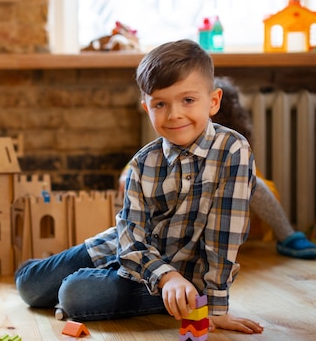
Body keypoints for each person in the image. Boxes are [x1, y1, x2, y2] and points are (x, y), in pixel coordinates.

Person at [16, 39, 264, 335]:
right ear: (146, 107)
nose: (174, 114)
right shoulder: (142, 164)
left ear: (213, 101)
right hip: (129, 252)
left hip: (185, 276)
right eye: (161, 104)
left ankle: (163, 294)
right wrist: (164, 276)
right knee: (28, 286)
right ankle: (61, 269)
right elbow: (130, 239)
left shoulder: (233, 151)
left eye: (188, 100)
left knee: (75, 294)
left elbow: (224, 235)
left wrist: (215, 305)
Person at [118, 77, 316, 259]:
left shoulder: (231, 146)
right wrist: (129, 174)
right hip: (180, 228)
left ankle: (288, 236)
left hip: (225, 219)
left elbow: (251, 187)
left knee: (255, 184)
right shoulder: (171, 140)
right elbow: (146, 160)